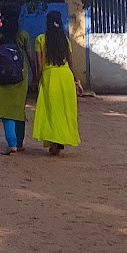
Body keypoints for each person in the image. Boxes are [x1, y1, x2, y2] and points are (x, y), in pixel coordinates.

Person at [0, 9, 34, 154]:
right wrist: (36, 76)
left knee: (6, 111)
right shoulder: (23, 35)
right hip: (21, 76)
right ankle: (19, 143)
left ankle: (11, 143)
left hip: (2, 75)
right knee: (18, 109)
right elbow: (30, 57)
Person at [32, 11, 80, 155]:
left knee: (51, 111)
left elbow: (39, 65)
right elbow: (71, 64)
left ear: (47, 22)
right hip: (66, 78)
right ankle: (60, 140)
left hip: (50, 77)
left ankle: (55, 141)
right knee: (65, 111)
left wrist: (37, 80)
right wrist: (77, 81)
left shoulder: (40, 40)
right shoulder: (65, 40)